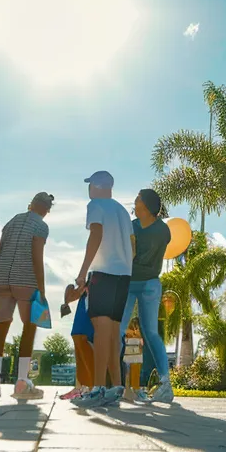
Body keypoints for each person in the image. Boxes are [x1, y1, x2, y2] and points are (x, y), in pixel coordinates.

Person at [69, 171, 134, 409]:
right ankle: (116, 385)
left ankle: (98, 388)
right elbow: (132, 244)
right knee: (114, 331)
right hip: (124, 274)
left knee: (100, 332)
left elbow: (95, 234)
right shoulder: (122, 211)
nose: (88, 190)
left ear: (97, 186)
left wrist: (83, 272)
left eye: (90, 185)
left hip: (103, 273)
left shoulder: (95, 204)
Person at [0, 193, 53, 400]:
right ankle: (22, 382)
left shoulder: (13, 221)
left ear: (31, 204)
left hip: (1, 279)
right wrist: (41, 289)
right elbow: (37, 257)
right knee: (30, 325)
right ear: (46, 209)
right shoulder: (41, 226)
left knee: (2, 325)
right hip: (25, 279)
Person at [120, 188, 174, 404]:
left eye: (138, 198)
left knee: (125, 330)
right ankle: (163, 384)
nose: (135, 200)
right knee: (145, 332)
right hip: (146, 282)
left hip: (138, 282)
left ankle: (114, 384)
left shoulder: (135, 228)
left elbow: (130, 254)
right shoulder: (164, 230)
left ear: (146, 205)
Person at [61, 283, 95, 400]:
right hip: (86, 300)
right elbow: (71, 296)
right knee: (77, 336)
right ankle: (80, 386)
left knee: (84, 338)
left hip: (98, 300)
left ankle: (91, 386)